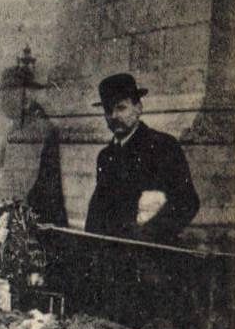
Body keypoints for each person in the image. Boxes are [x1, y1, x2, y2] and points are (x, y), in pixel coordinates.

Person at [85, 73, 200, 242]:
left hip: (151, 254)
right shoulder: (105, 157)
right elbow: (97, 211)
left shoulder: (163, 146)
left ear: (138, 108)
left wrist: (147, 233)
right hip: (112, 257)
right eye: (108, 110)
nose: (114, 116)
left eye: (121, 108)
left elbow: (187, 202)